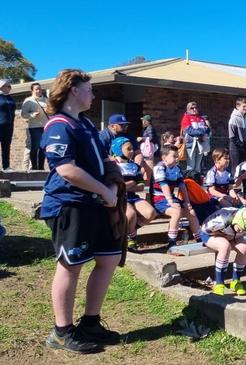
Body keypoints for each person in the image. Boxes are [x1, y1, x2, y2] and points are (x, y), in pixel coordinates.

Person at [40, 69, 120, 353]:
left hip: (95, 205)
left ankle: (90, 322)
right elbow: (66, 170)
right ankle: (61, 332)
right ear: (74, 90)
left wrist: (113, 177)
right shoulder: (59, 125)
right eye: (90, 89)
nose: (93, 94)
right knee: (70, 266)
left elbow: (100, 159)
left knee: (109, 259)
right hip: (69, 204)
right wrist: (104, 191)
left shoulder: (84, 123)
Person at [110, 137, 156, 251]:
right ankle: (131, 238)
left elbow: (141, 186)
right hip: (118, 198)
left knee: (151, 213)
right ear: (118, 150)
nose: (132, 151)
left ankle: (129, 232)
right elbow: (116, 187)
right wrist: (132, 182)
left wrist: (127, 185)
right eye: (128, 149)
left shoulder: (134, 166)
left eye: (132, 149)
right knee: (130, 214)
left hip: (132, 197)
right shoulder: (113, 165)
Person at [151, 145, 201, 250]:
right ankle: (171, 241)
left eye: (177, 156)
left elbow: (182, 186)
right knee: (176, 211)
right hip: (159, 199)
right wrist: (170, 201)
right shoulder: (159, 167)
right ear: (164, 157)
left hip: (171, 198)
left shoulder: (177, 168)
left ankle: (199, 238)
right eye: (174, 156)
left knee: (191, 211)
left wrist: (187, 202)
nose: (177, 158)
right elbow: (163, 185)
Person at [200, 207, 246, 296]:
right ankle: (219, 284)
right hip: (211, 234)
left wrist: (237, 233)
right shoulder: (221, 220)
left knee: (244, 248)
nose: (242, 231)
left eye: (245, 230)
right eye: (240, 229)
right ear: (237, 221)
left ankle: (236, 282)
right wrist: (223, 235)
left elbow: (241, 232)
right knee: (225, 246)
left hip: (232, 235)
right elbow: (204, 230)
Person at [21, 82, 48, 170]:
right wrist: (32, 114)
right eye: (36, 89)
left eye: (40, 89)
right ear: (32, 91)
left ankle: (41, 167)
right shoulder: (29, 100)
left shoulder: (46, 100)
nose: (39, 91)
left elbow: (52, 111)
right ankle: (34, 167)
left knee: (43, 147)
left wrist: (49, 110)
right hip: (34, 127)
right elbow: (23, 114)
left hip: (45, 126)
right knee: (35, 146)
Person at [181, 102, 210, 172]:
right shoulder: (186, 118)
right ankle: (189, 182)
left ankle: (197, 181)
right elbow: (190, 131)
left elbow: (208, 129)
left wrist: (204, 133)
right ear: (188, 109)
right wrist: (202, 132)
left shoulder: (201, 118)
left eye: (196, 108)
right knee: (191, 166)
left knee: (198, 166)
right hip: (190, 145)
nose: (194, 109)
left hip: (201, 145)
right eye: (192, 108)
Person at [228, 98, 246, 171]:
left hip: (245, 147)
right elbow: (232, 136)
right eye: (244, 106)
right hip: (236, 147)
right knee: (236, 167)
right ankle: (236, 182)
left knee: (245, 167)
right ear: (237, 106)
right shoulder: (233, 119)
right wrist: (241, 145)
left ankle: (244, 182)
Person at [0, 79, 16, 171]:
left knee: (6, 146)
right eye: (8, 86)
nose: (10, 88)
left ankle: (6, 166)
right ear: (1, 86)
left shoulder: (10, 98)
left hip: (9, 126)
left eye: (10, 86)